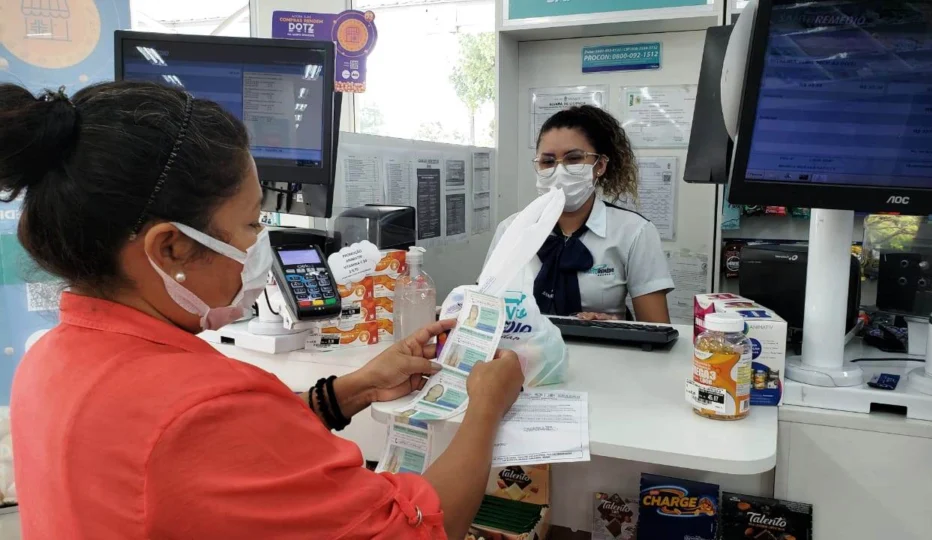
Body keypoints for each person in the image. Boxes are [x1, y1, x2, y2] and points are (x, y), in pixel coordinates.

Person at [3, 81, 524, 540]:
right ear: (171, 250)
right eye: (253, 224)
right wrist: (485, 409)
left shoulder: (48, 360)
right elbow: (418, 530)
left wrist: (354, 389)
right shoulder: (200, 409)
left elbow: (214, 468)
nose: (261, 247)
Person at [485, 105, 674, 322]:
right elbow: (485, 309)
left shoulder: (634, 232)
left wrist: (616, 328)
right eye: (547, 161)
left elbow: (656, 328)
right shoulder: (511, 230)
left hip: (606, 352)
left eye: (573, 159)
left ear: (600, 165)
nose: (559, 170)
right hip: (526, 353)